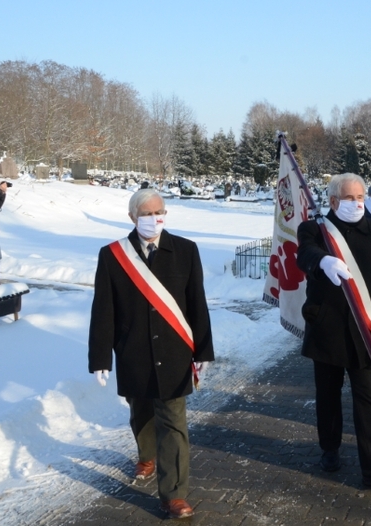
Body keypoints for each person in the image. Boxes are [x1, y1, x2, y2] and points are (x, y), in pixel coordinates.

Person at [88, 189, 214, 519]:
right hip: (134, 352)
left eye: (159, 211)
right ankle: (146, 453)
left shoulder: (185, 251)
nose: (153, 218)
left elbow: (197, 304)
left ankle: (174, 494)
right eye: (146, 213)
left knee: (173, 420)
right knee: (141, 409)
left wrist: (203, 349)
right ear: (132, 217)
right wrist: (101, 357)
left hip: (174, 353)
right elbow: (104, 310)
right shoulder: (113, 255)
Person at [296, 173, 371, 492]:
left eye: (360, 198)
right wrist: (323, 261)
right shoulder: (315, 229)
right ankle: (329, 448)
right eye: (349, 198)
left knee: (366, 398)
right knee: (327, 395)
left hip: (363, 331)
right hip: (326, 327)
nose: (357, 203)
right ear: (332, 202)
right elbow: (304, 253)